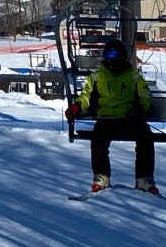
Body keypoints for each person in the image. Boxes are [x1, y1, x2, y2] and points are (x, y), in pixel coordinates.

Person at [65, 38, 158, 194]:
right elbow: (86, 94)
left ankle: (144, 178)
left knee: (146, 137)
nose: (112, 59)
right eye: (108, 55)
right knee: (98, 140)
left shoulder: (133, 77)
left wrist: (140, 109)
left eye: (115, 55)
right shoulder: (97, 76)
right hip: (106, 119)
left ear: (122, 56)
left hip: (129, 118)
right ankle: (101, 176)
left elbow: (145, 96)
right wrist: (77, 106)